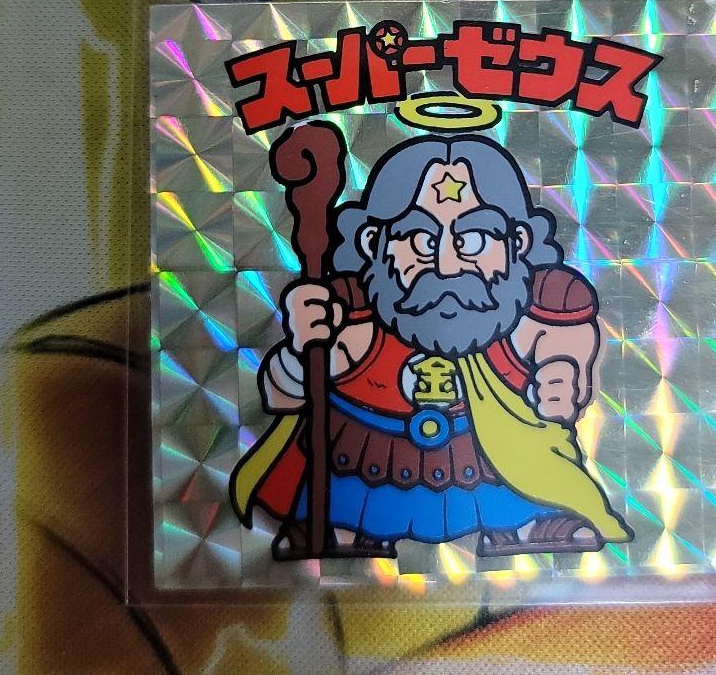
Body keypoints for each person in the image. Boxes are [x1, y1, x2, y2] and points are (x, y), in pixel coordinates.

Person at [231, 134, 632, 557]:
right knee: (348, 509)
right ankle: (351, 528)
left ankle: (520, 524)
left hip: (493, 471)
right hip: (367, 463)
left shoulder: (538, 307)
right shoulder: (351, 315)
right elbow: (287, 393)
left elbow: (565, 343)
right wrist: (303, 349)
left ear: (517, 243)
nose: (446, 264)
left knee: (524, 486)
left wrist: (562, 374)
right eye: (420, 240)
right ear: (373, 243)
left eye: (473, 240)